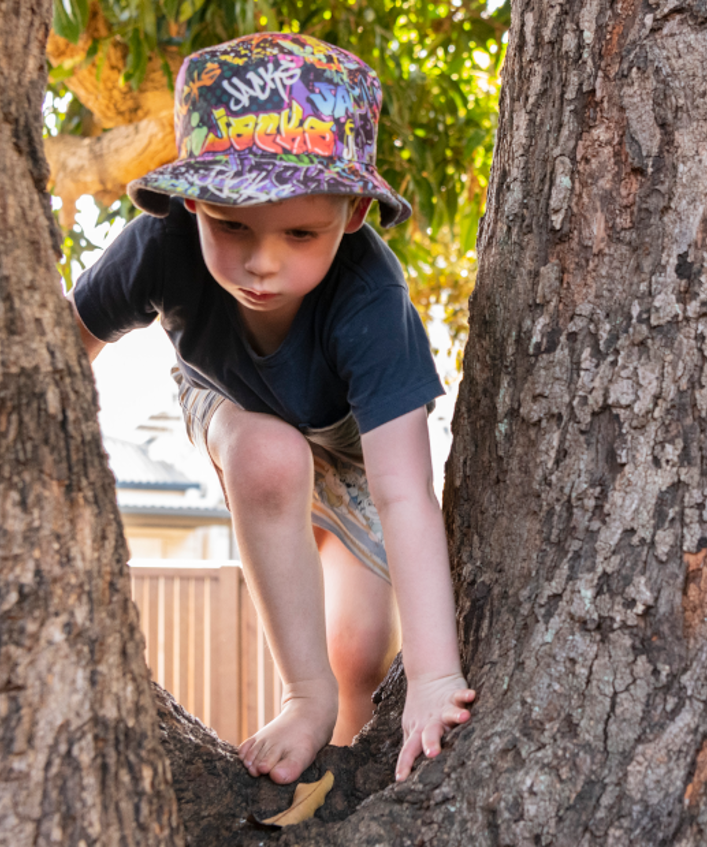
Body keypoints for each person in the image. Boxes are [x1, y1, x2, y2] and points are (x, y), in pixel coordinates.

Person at [67, 32, 475, 785]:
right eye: (231, 227)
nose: (263, 262)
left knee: (360, 647)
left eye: (299, 233)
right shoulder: (158, 247)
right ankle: (303, 695)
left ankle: (351, 780)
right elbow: (61, 345)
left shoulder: (370, 302)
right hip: (231, 402)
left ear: (352, 214)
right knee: (267, 459)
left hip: (353, 447)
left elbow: (404, 491)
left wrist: (435, 676)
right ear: (191, 200)